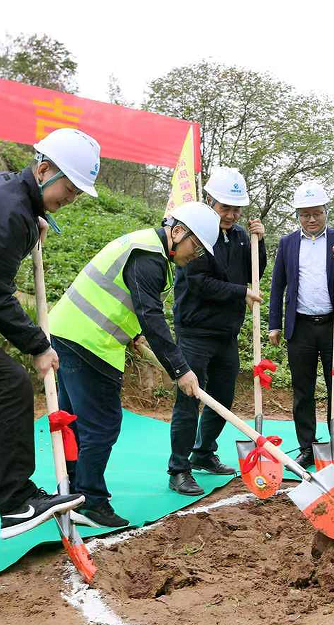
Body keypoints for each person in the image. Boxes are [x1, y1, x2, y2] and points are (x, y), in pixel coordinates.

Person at [0, 128, 101, 539]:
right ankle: (16, 502)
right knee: (10, 385)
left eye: (78, 193)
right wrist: (38, 345)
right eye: (69, 188)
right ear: (44, 170)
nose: (72, 198)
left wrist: (32, 226)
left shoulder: (10, 194)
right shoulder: (9, 211)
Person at [48, 202, 218, 528]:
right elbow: (150, 314)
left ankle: (70, 492)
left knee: (75, 421)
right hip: (89, 342)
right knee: (101, 425)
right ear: (177, 232)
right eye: (195, 247)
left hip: (68, 332)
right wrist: (181, 369)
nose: (194, 256)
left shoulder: (145, 247)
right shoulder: (148, 256)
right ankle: (90, 501)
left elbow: (126, 301)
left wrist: (134, 334)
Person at [166, 168, 266, 495]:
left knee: (222, 397)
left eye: (237, 209)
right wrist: (240, 293)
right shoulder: (196, 234)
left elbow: (254, 271)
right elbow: (199, 283)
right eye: (226, 208)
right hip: (195, 330)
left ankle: (203, 452)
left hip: (227, 332)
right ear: (210, 201)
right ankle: (179, 469)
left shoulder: (240, 236)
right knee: (189, 397)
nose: (231, 215)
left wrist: (259, 243)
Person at [268, 181, 334, 470]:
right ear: (298, 215)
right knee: (303, 391)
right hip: (301, 327)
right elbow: (277, 285)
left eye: (317, 213)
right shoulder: (287, 243)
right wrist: (274, 324)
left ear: (325, 212)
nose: (311, 219)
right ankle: (307, 448)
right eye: (305, 214)